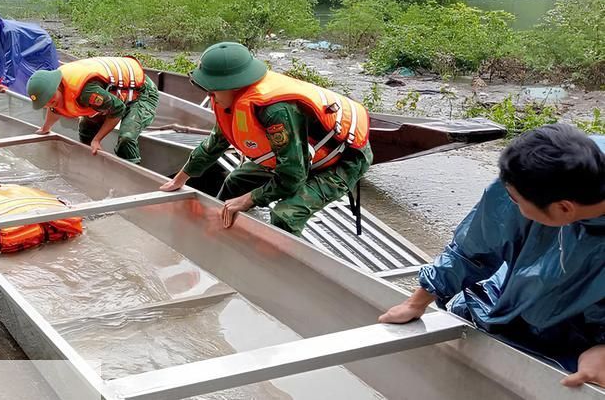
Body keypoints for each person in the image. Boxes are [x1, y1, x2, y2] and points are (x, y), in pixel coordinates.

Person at [379, 124, 605, 388]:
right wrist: (416, 303)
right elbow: (476, 243)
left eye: (517, 202)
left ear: (564, 209)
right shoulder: (544, 171)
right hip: (526, 288)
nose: (512, 205)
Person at [159, 42, 373, 234]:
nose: (208, 97)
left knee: (285, 215)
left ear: (234, 85)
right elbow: (213, 145)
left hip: (342, 159)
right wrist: (179, 180)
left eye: (212, 91)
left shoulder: (275, 112)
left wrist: (248, 199)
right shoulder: (230, 102)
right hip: (302, 155)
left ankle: (282, 269)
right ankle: (220, 232)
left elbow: (292, 177)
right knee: (235, 181)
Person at [26, 57, 158, 164]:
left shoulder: (86, 92)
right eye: (46, 103)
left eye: (51, 98)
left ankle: (131, 174)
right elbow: (55, 109)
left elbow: (118, 109)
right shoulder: (57, 91)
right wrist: (45, 128)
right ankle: (92, 166)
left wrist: (97, 140)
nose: (50, 103)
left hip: (141, 93)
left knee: (126, 138)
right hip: (109, 95)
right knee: (85, 130)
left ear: (56, 86)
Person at [0, 5, 58, 96]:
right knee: (15, 69)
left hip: (40, 44)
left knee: (35, 74)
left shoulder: (9, 31)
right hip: (25, 47)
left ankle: (40, 96)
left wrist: (6, 83)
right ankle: (25, 94)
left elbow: (12, 57)